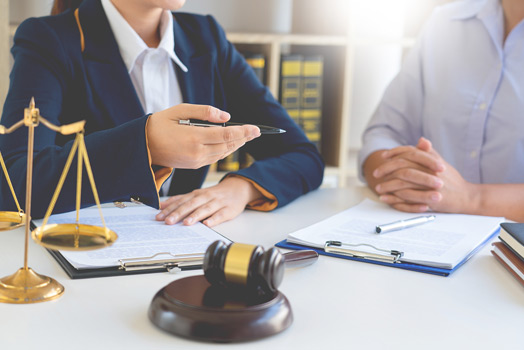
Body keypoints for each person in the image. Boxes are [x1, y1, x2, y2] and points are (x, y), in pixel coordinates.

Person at [0, 0, 324, 226]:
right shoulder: (49, 40)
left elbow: (303, 155)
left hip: (179, 251)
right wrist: (145, 144)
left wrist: (239, 189)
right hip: (82, 257)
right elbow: (14, 183)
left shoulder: (206, 37)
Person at [359, 0, 524, 222]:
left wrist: (469, 198)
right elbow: (384, 133)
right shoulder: (444, 22)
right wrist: (407, 180)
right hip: (425, 228)